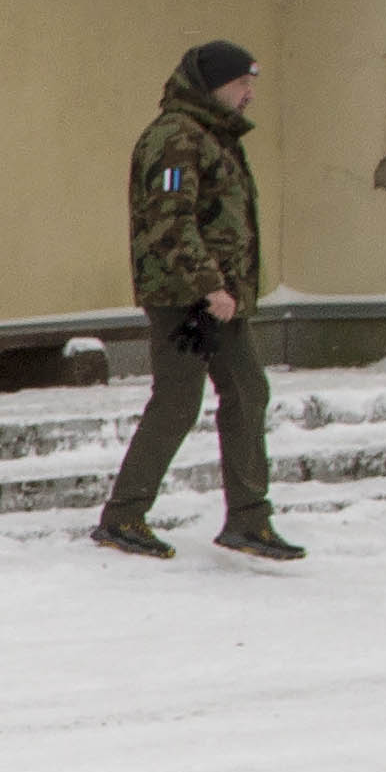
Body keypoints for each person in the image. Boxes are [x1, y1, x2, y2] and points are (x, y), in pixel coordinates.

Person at [94, 43, 300, 563]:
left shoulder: (213, 135)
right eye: (241, 84)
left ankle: (249, 518)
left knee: (247, 390)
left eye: (252, 84)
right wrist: (209, 286)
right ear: (212, 85)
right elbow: (169, 219)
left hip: (219, 298)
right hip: (184, 298)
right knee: (178, 400)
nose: (249, 94)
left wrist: (224, 290)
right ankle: (123, 516)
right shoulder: (175, 138)